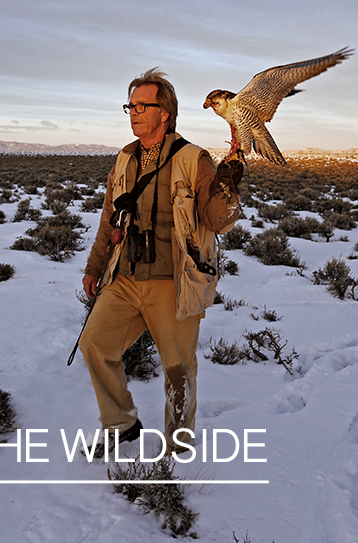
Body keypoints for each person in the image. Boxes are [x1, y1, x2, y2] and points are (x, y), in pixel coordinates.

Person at [79, 67, 243, 455]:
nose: (133, 112)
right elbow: (109, 219)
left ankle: (178, 446)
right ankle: (120, 422)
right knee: (95, 345)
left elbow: (218, 220)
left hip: (174, 280)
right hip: (125, 276)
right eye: (129, 106)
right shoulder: (124, 159)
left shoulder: (192, 159)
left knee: (178, 370)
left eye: (141, 105)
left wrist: (227, 184)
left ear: (164, 112)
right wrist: (94, 267)